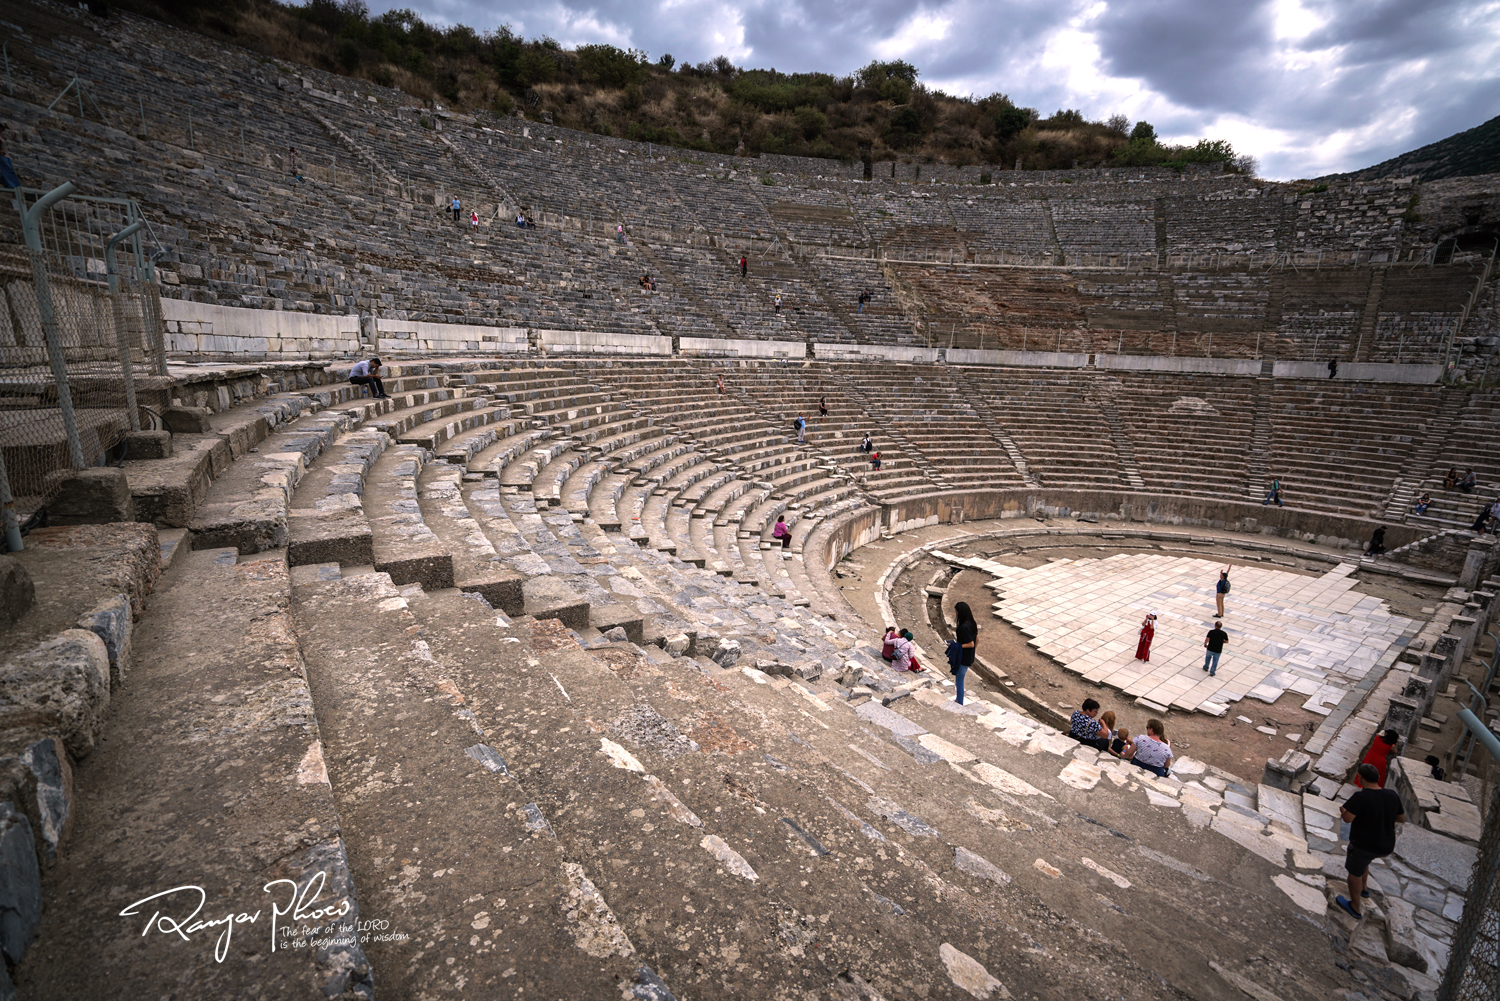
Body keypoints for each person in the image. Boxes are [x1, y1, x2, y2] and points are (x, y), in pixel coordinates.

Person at [1335, 762, 1406, 920]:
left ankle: (1355, 907)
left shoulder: (1361, 797)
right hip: (1386, 844)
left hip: (1364, 843)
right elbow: (1401, 818)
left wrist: (1344, 810)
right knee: (1365, 862)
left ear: (1360, 778)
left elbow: (1347, 819)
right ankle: (1364, 889)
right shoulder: (1392, 795)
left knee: (1354, 874)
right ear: (1378, 778)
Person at [953, 601, 977, 706]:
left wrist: (957, 646)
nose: (956, 614)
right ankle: (958, 700)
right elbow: (977, 639)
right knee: (959, 680)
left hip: (963, 657)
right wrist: (972, 653)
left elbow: (970, 643)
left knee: (959, 681)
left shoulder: (964, 627)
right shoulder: (972, 623)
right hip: (968, 656)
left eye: (956, 612)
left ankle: (960, 704)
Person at [0, 123, 19, 189]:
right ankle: (15, 186)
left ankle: (6, 184)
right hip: (2, 156)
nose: (1, 130)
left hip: (6, 156)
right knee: (8, 171)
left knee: (7, 171)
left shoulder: (1, 136)